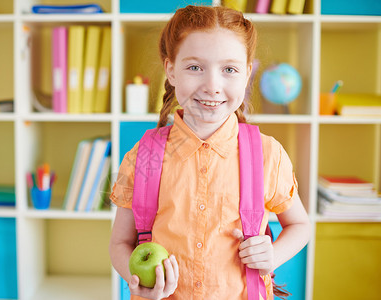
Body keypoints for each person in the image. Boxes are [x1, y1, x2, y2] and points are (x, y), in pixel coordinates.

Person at [109, 5, 311, 300]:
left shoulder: (267, 154)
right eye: (195, 67)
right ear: (171, 70)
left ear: (247, 74)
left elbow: (300, 225)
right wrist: (138, 279)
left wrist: (272, 255)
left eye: (229, 69)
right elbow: (120, 243)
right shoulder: (145, 156)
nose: (213, 86)